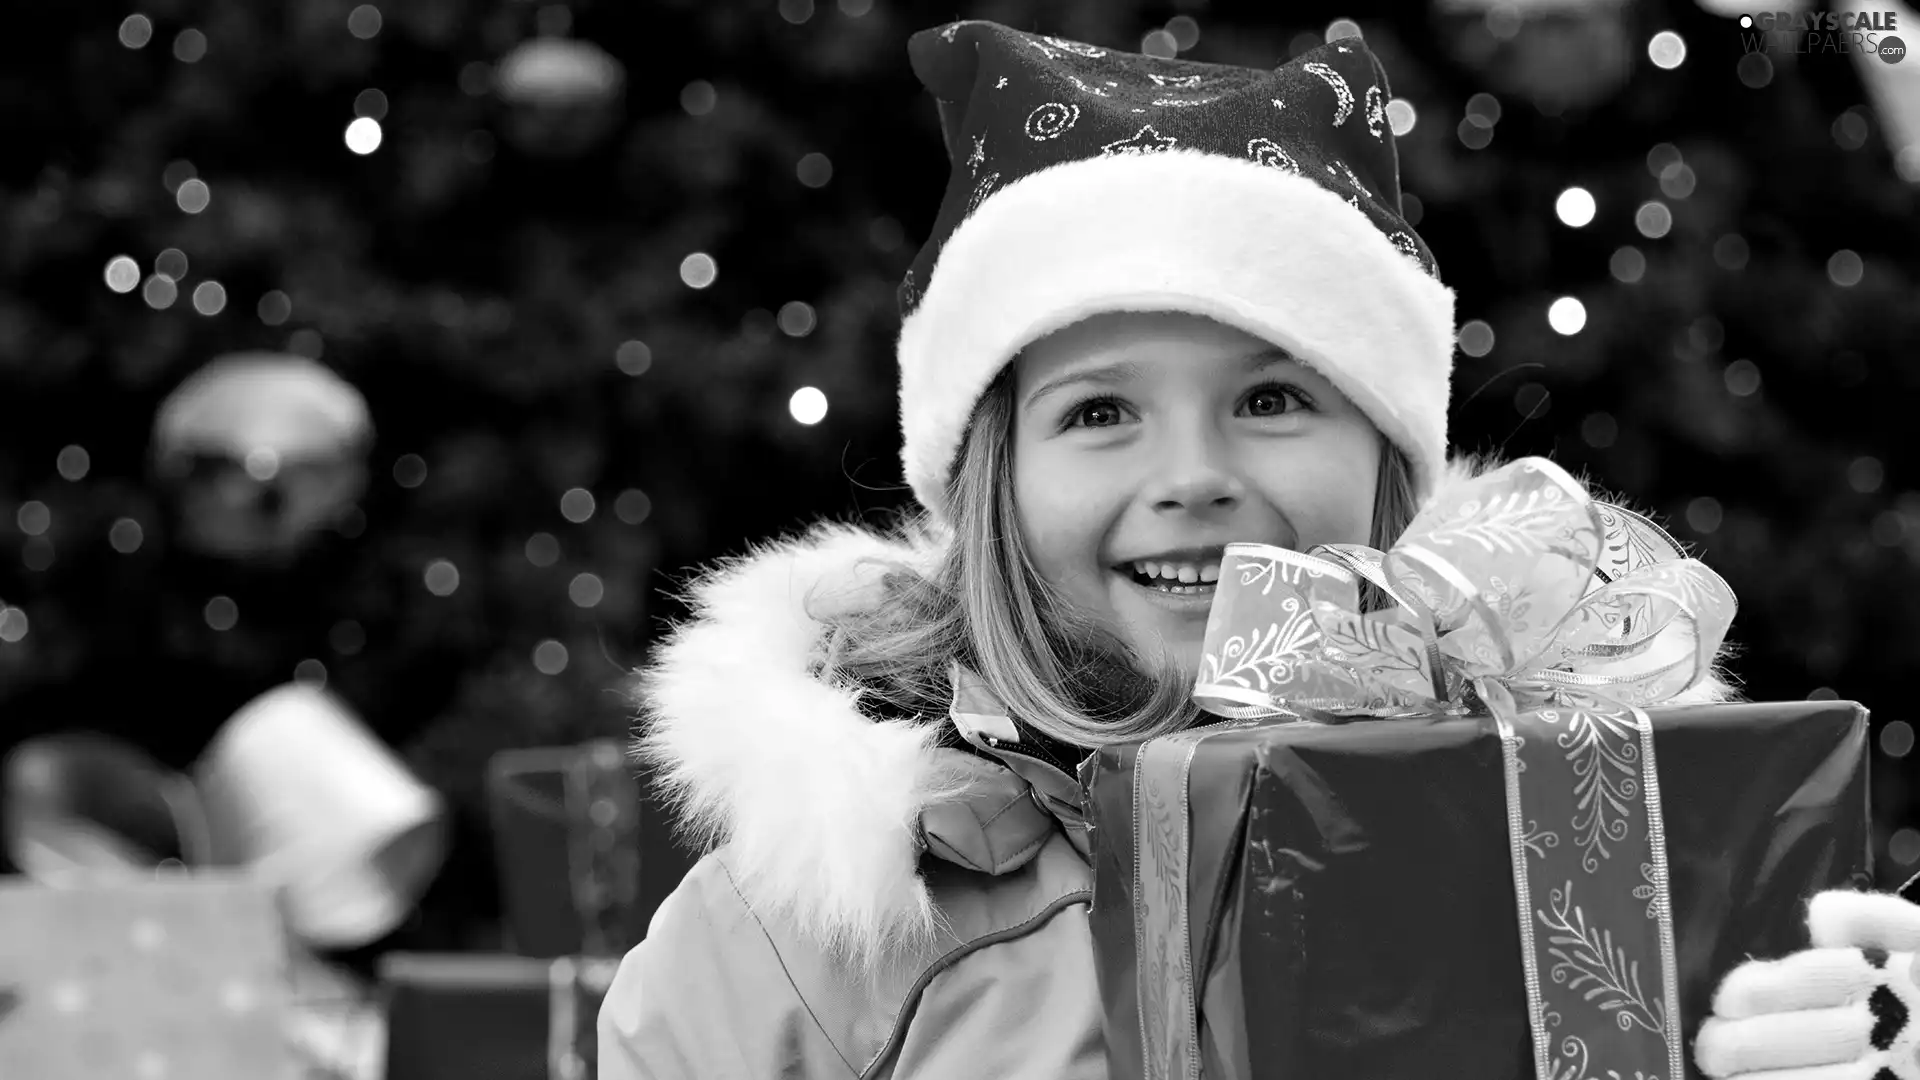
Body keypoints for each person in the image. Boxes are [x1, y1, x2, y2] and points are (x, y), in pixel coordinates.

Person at [596, 21, 1916, 1080]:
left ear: (1391, 461)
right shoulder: (806, 929)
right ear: (989, 487)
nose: (1196, 480)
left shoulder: (1609, 838)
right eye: (1099, 412)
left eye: (1273, 399)